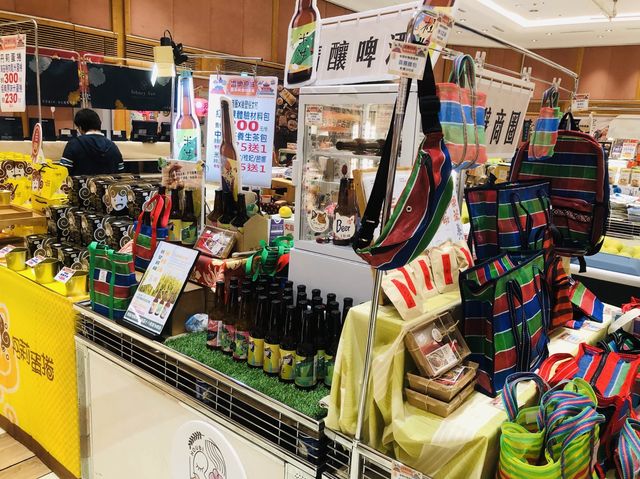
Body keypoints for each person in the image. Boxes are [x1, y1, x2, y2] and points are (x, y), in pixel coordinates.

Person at [59, 109, 125, 176]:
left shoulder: (74, 144)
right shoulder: (113, 146)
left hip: (81, 182)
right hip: (109, 182)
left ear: (80, 128)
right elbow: (121, 173)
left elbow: (62, 173)